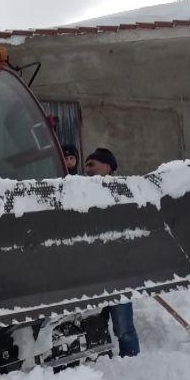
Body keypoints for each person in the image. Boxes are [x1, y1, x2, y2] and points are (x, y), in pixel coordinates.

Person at [83, 147, 140, 357]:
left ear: (107, 167)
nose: (87, 169)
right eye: (85, 166)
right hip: (94, 272)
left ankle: (132, 360)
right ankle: (102, 362)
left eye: (92, 164)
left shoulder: (122, 192)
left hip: (118, 273)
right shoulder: (81, 193)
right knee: (94, 323)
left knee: (123, 326)